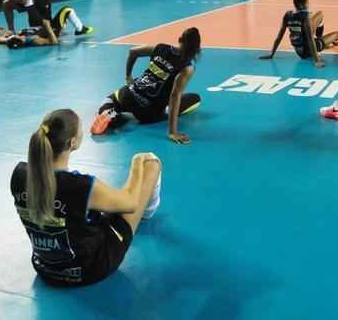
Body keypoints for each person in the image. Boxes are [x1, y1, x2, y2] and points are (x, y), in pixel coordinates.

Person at [11, 109, 162, 286]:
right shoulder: (81, 186)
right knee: (151, 163)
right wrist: (137, 163)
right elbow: (130, 203)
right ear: (73, 142)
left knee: (87, 212)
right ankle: (148, 213)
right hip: (90, 270)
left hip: (45, 268)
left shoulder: (19, 175)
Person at [90, 27, 202, 143]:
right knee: (195, 98)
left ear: (179, 39)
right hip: (147, 110)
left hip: (129, 94)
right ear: (197, 48)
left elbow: (133, 52)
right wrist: (172, 132)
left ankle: (109, 114)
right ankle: (120, 118)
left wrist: (128, 76)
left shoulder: (161, 48)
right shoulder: (187, 67)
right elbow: (175, 95)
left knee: (113, 99)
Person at [262, 0, 338, 67]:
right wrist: (317, 61)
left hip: (299, 50)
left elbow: (279, 37)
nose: (309, 4)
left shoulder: (288, 14)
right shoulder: (306, 16)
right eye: (308, 2)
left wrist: (271, 54)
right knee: (336, 34)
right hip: (307, 52)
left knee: (320, 14)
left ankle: (321, 39)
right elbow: (310, 40)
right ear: (303, 4)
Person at [0, 5, 93, 48]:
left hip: (45, 27)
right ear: (19, 39)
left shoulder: (15, 39)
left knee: (63, 20)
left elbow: (2, 40)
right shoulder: (34, 40)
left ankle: (64, 26)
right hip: (52, 29)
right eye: (15, 36)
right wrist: (47, 27)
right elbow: (54, 42)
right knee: (67, 10)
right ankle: (80, 29)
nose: (13, 35)